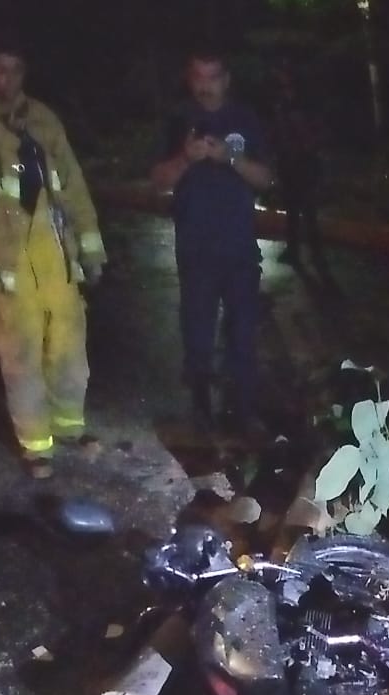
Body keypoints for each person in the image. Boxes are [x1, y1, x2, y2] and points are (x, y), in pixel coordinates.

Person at [0, 27, 106, 480]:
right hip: (5, 253)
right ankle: (37, 446)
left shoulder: (44, 119)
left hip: (54, 247)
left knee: (70, 344)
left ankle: (69, 425)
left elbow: (72, 184)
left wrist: (91, 248)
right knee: (21, 351)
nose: (7, 78)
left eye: (15, 70)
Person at [150, 48, 273, 437]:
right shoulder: (178, 120)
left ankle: (243, 411)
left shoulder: (245, 120)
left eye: (213, 76)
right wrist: (186, 158)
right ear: (190, 79)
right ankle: (201, 409)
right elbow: (159, 179)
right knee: (198, 333)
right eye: (198, 77)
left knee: (243, 334)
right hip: (195, 248)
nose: (205, 86)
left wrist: (230, 159)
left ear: (227, 78)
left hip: (239, 246)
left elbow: (266, 179)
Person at [269, 61, 328, 273]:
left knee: (308, 209)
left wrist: (308, 149)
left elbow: (314, 131)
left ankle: (315, 252)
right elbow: (278, 130)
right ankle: (294, 250)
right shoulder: (283, 102)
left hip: (304, 160)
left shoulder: (304, 103)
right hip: (288, 160)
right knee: (292, 208)